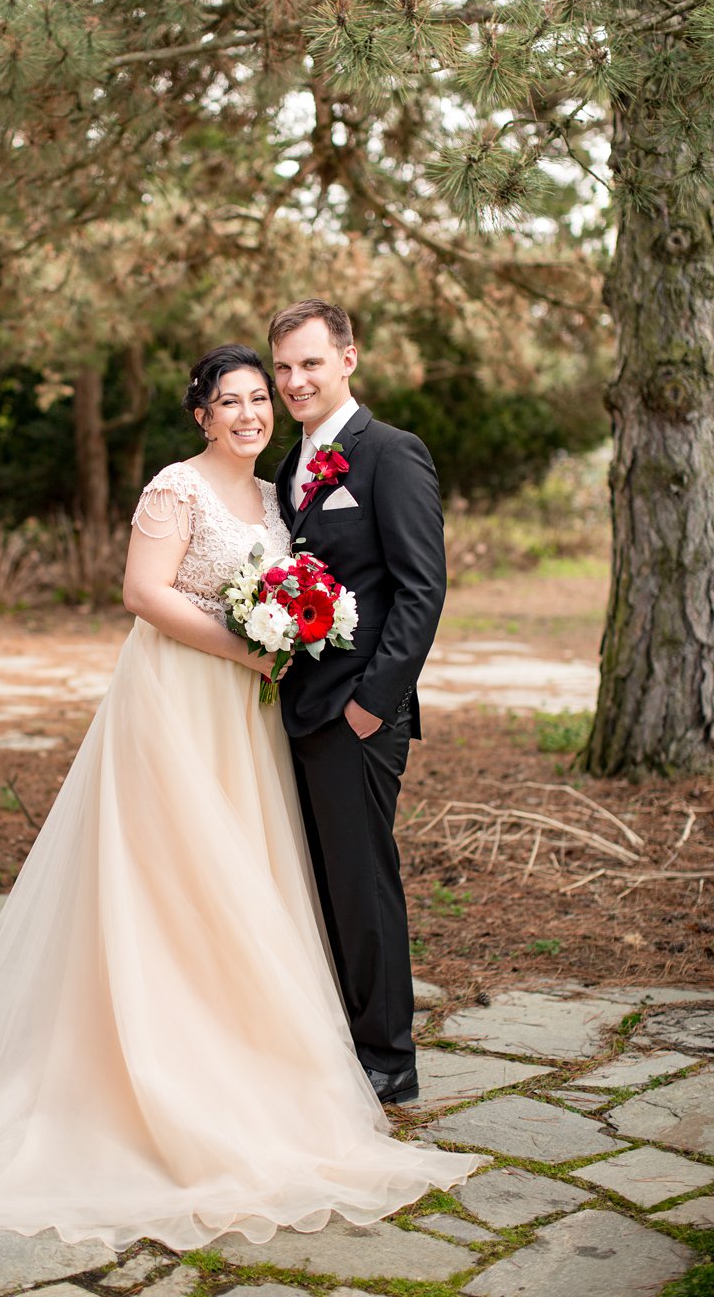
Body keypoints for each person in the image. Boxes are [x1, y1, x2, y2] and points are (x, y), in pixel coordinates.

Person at [0, 345, 478, 1249]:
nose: (249, 412)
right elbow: (142, 592)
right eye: (229, 400)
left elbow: (388, 586)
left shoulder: (281, 494)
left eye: (258, 397)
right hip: (178, 704)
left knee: (249, 880)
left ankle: (285, 1051)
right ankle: (153, 1058)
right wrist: (249, 646)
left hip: (252, 717)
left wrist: (288, 645)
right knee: (171, 875)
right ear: (201, 416)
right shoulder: (173, 488)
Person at [270, 300, 446, 1106]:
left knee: (365, 880)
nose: (295, 380)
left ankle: (388, 1057)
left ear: (348, 359)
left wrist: (374, 704)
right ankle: (339, 1038)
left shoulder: (391, 455)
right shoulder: (289, 468)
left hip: (358, 716)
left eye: (311, 362)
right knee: (318, 882)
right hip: (294, 709)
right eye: (284, 368)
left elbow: (420, 589)